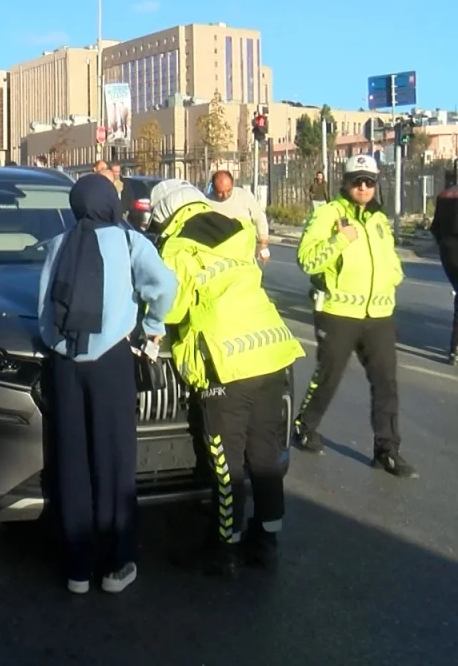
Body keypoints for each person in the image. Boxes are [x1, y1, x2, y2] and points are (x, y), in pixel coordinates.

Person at [148, 179, 304, 574]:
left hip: (227, 366)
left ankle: (224, 547)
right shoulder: (238, 232)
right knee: (265, 456)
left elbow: (173, 310)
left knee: (226, 463)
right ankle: (265, 541)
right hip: (272, 353)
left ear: (165, 214)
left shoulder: (177, 248)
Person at [37, 174, 177, 595]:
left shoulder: (59, 244)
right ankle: (115, 565)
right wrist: (151, 327)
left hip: (63, 362)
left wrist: (60, 344)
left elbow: (43, 305)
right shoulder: (130, 241)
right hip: (111, 360)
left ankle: (77, 569)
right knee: (112, 460)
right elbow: (165, 286)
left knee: (72, 460)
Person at [293, 154, 416, 477]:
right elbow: (306, 260)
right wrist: (339, 240)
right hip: (338, 312)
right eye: (356, 181)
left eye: (369, 181)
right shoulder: (328, 214)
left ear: (376, 185)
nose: (363, 187)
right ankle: (305, 426)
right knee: (329, 377)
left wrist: (394, 276)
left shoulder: (378, 219)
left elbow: (388, 259)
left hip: (379, 314)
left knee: (386, 383)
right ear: (344, 183)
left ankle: (387, 450)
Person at [206, 170, 270, 265]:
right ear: (213, 188)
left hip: (244, 256)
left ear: (233, 184)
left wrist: (263, 245)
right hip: (219, 258)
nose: (225, 195)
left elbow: (259, 218)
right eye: (220, 192)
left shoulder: (244, 196)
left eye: (228, 190)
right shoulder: (207, 202)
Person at [428, 163, 458, 366]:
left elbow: (435, 228)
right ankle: (454, 348)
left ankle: (454, 349)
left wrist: (444, 244)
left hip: (448, 251)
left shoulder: (443, 195)